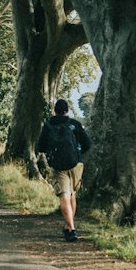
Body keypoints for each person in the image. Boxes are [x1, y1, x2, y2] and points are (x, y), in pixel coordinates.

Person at [36, 98, 90, 242]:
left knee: (64, 196)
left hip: (58, 166)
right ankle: (69, 226)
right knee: (72, 194)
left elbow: (40, 147)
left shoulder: (48, 125)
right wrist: (78, 154)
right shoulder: (75, 124)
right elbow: (87, 144)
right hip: (76, 164)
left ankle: (70, 229)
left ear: (55, 110)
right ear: (67, 110)